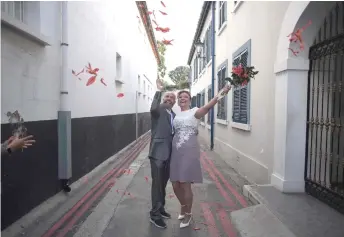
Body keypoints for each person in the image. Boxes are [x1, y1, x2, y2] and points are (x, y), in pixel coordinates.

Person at [169, 85, 231, 228]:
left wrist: (221, 94)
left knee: (184, 183)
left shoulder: (194, 112)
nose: (182, 98)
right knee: (175, 183)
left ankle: (188, 214)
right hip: (176, 152)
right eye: (180, 97)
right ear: (178, 101)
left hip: (189, 151)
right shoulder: (176, 115)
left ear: (190, 100)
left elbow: (208, 107)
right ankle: (183, 205)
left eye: (185, 97)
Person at [148, 77, 176, 229]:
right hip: (158, 153)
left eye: (172, 98)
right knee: (157, 185)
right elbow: (152, 108)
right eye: (167, 96)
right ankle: (154, 215)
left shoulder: (173, 115)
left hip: (169, 155)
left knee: (163, 184)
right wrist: (159, 91)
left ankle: (161, 208)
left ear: (174, 102)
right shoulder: (158, 109)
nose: (170, 99)